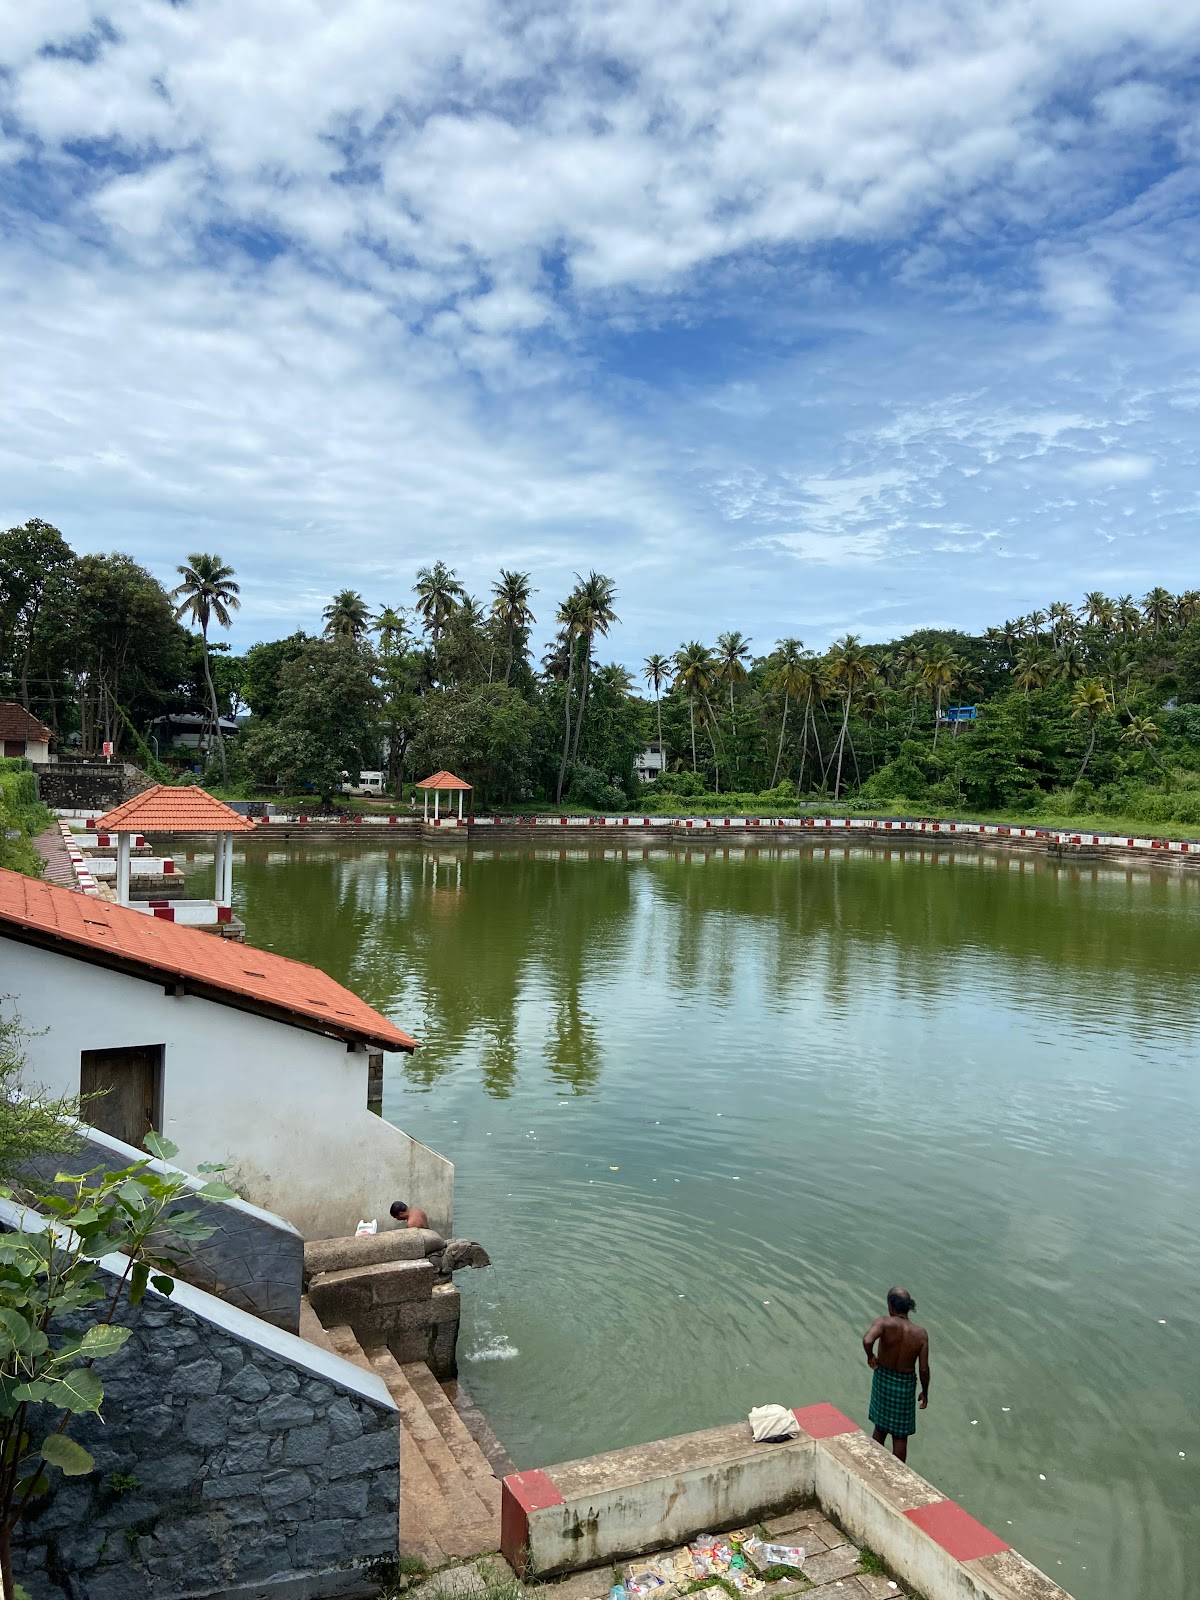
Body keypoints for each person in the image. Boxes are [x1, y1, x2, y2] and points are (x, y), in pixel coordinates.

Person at [862, 1287, 930, 1462]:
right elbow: (923, 1368)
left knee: (880, 1427)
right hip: (905, 1384)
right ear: (908, 1307)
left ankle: (873, 1464)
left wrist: (871, 1356)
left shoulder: (884, 1323)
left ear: (891, 1306)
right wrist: (925, 1392)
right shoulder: (920, 1334)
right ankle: (898, 1472)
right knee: (900, 1436)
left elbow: (868, 1340)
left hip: (883, 1377)